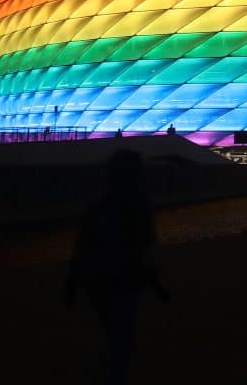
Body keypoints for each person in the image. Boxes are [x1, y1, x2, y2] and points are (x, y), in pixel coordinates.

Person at [65, 150, 169, 384]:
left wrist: (72, 282)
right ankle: (117, 369)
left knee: (115, 330)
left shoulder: (98, 206)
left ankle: (115, 367)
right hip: (126, 281)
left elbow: (82, 245)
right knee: (123, 331)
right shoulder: (140, 207)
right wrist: (155, 280)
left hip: (100, 281)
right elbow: (145, 245)